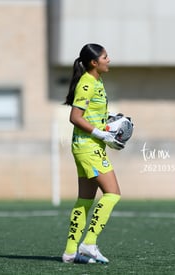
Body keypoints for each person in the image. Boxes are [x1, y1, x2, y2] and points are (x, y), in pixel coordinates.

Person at [61, 43, 124, 264]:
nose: (109, 60)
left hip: (87, 145)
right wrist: (101, 134)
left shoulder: (97, 81)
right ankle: (89, 242)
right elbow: (75, 117)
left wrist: (110, 125)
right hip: (89, 147)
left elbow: (91, 114)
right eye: (105, 57)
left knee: (85, 200)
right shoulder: (87, 83)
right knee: (113, 193)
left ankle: (70, 252)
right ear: (94, 62)